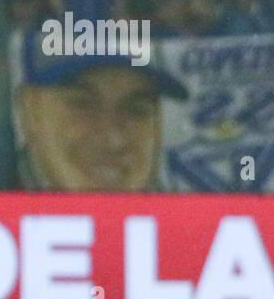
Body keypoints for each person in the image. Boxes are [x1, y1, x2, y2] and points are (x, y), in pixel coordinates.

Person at [15, 43, 188, 191]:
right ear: (30, 108)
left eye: (137, 110)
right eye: (83, 104)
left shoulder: (185, 217)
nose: (114, 141)